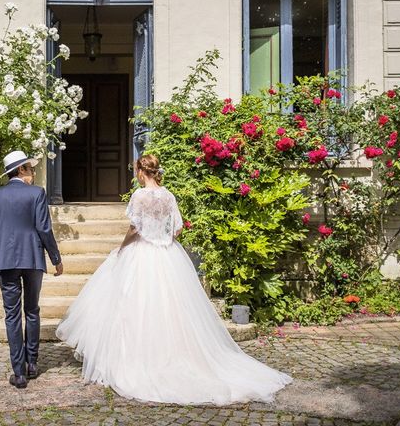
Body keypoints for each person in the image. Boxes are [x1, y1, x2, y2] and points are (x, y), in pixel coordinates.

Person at [55, 154, 292, 405]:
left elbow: (135, 228)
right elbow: (177, 228)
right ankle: (175, 354)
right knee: (172, 308)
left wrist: (123, 247)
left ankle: (136, 359)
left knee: (135, 306)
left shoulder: (139, 196)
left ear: (140, 171)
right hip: (167, 254)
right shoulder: (168, 196)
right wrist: (163, 236)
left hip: (142, 253)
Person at [0, 150, 63, 389]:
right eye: (31, 168)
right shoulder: (37, 194)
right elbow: (44, 229)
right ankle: (32, 364)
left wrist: (0, 250)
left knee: (12, 315)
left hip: (6, 261)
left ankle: (18, 372)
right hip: (33, 259)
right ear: (20, 170)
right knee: (32, 310)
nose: (34, 172)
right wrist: (55, 257)